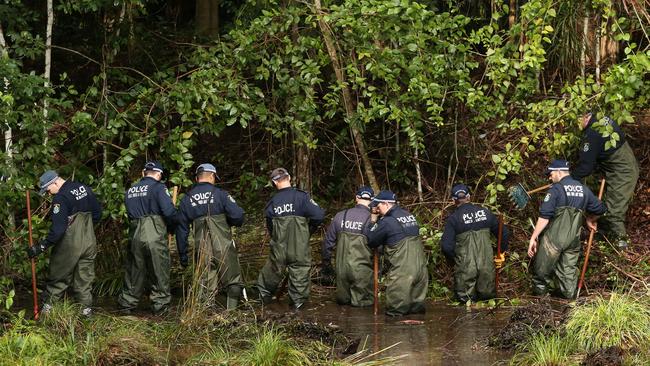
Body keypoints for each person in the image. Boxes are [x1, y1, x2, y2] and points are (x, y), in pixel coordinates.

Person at [528, 159, 607, 299]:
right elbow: (601, 209)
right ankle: (570, 307)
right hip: (573, 241)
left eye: (551, 173)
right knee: (568, 275)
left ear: (559, 172)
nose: (549, 177)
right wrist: (590, 219)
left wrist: (534, 237)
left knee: (541, 273)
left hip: (554, 240)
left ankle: (539, 306)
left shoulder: (556, 189)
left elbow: (545, 216)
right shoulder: (583, 189)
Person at [28, 170, 102, 316]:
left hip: (70, 245)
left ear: (55, 182)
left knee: (58, 278)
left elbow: (58, 230)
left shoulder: (61, 198)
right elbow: (98, 214)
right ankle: (86, 314)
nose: (49, 194)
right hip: (89, 242)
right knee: (84, 279)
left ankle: (46, 315)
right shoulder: (84, 188)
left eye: (48, 190)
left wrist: (41, 246)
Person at [175, 163, 245, 309]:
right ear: (212, 176)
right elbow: (238, 216)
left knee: (205, 284)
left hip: (202, 250)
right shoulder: (221, 195)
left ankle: (206, 316)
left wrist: (183, 255)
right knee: (232, 280)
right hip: (224, 246)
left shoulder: (187, 200)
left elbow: (181, 230)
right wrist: (229, 222)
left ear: (196, 178)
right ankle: (231, 313)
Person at [257, 168, 325, 310]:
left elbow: (270, 227)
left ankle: (263, 306)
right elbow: (319, 216)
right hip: (299, 247)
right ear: (289, 178)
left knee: (272, 271)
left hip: (279, 248)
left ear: (275, 182)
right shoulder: (302, 197)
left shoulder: (272, 202)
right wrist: (307, 231)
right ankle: (297, 310)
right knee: (300, 273)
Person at [572, 112, 639, 249]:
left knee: (613, 213)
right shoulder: (601, 117)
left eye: (577, 120)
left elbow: (586, 167)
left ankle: (622, 250)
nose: (577, 124)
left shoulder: (591, 135)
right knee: (603, 206)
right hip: (623, 166)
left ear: (585, 116)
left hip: (623, 174)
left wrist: (568, 179)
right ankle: (603, 239)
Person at [117, 161, 177, 314]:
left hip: (135, 233)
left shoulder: (130, 190)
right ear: (159, 174)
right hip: (155, 233)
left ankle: (127, 304)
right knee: (159, 270)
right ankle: (160, 306)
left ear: (144, 173)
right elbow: (169, 212)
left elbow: (130, 213)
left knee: (134, 270)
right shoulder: (159, 188)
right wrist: (172, 227)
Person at [440, 184, 509, 303]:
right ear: (469, 197)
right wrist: (501, 253)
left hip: (465, 270)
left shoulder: (454, 219)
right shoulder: (485, 213)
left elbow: (446, 247)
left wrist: (455, 260)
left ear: (453, 200)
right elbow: (504, 233)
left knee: (465, 306)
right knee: (489, 304)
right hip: (487, 267)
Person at [364, 190, 428, 316]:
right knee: (417, 313)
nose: (377, 209)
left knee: (395, 313)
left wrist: (373, 220)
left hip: (402, 272)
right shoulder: (409, 215)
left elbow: (371, 240)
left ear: (386, 204)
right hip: (420, 270)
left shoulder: (387, 221)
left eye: (378, 206)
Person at [322, 186, 375, 307]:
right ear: (372, 200)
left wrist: (326, 265)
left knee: (343, 304)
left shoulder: (340, 216)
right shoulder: (372, 221)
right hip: (362, 270)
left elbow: (327, 243)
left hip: (341, 270)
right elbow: (379, 247)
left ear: (356, 198)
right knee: (362, 307)